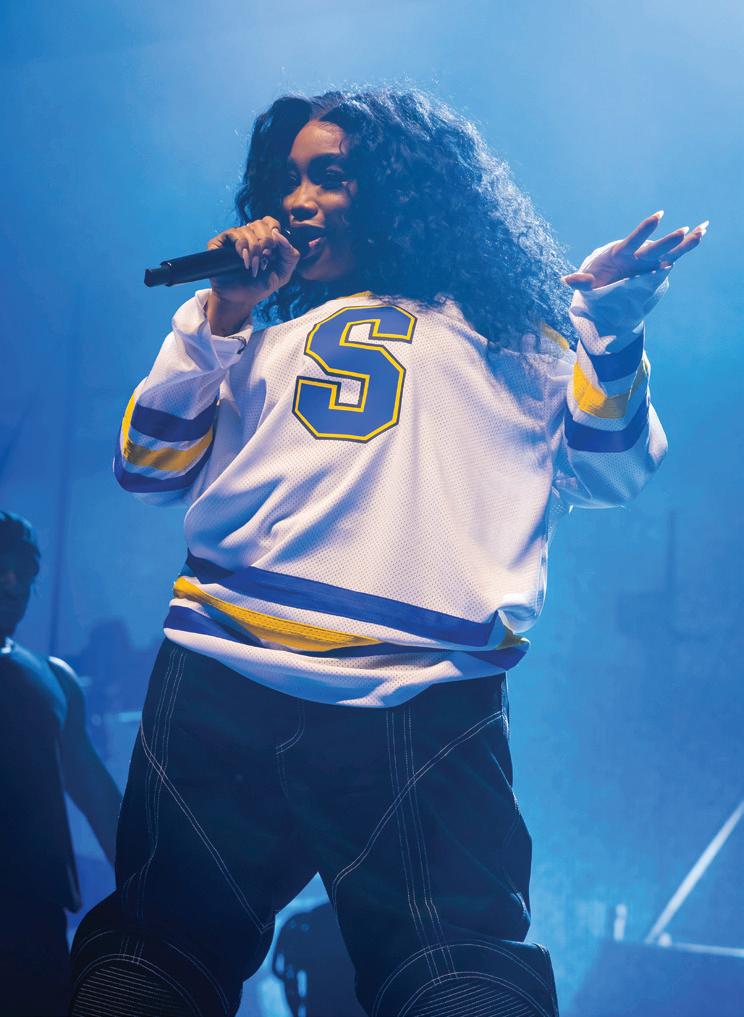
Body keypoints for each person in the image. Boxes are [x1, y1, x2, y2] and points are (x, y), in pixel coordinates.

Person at [69, 87, 706, 1017]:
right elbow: (146, 466)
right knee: (446, 964)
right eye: (289, 179)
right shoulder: (274, 333)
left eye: (331, 176)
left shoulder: (500, 341)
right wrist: (222, 313)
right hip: (279, 681)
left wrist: (608, 321)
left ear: (405, 193)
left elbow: (608, 470)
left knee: (167, 950)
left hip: (360, 691)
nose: (298, 200)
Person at [0, 511, 122, 1017]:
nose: (13, 583)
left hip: (37, 927)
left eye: (25, 568)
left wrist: (156, 895)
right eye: (0, 565)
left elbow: (101, 803)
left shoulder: (55, 680)